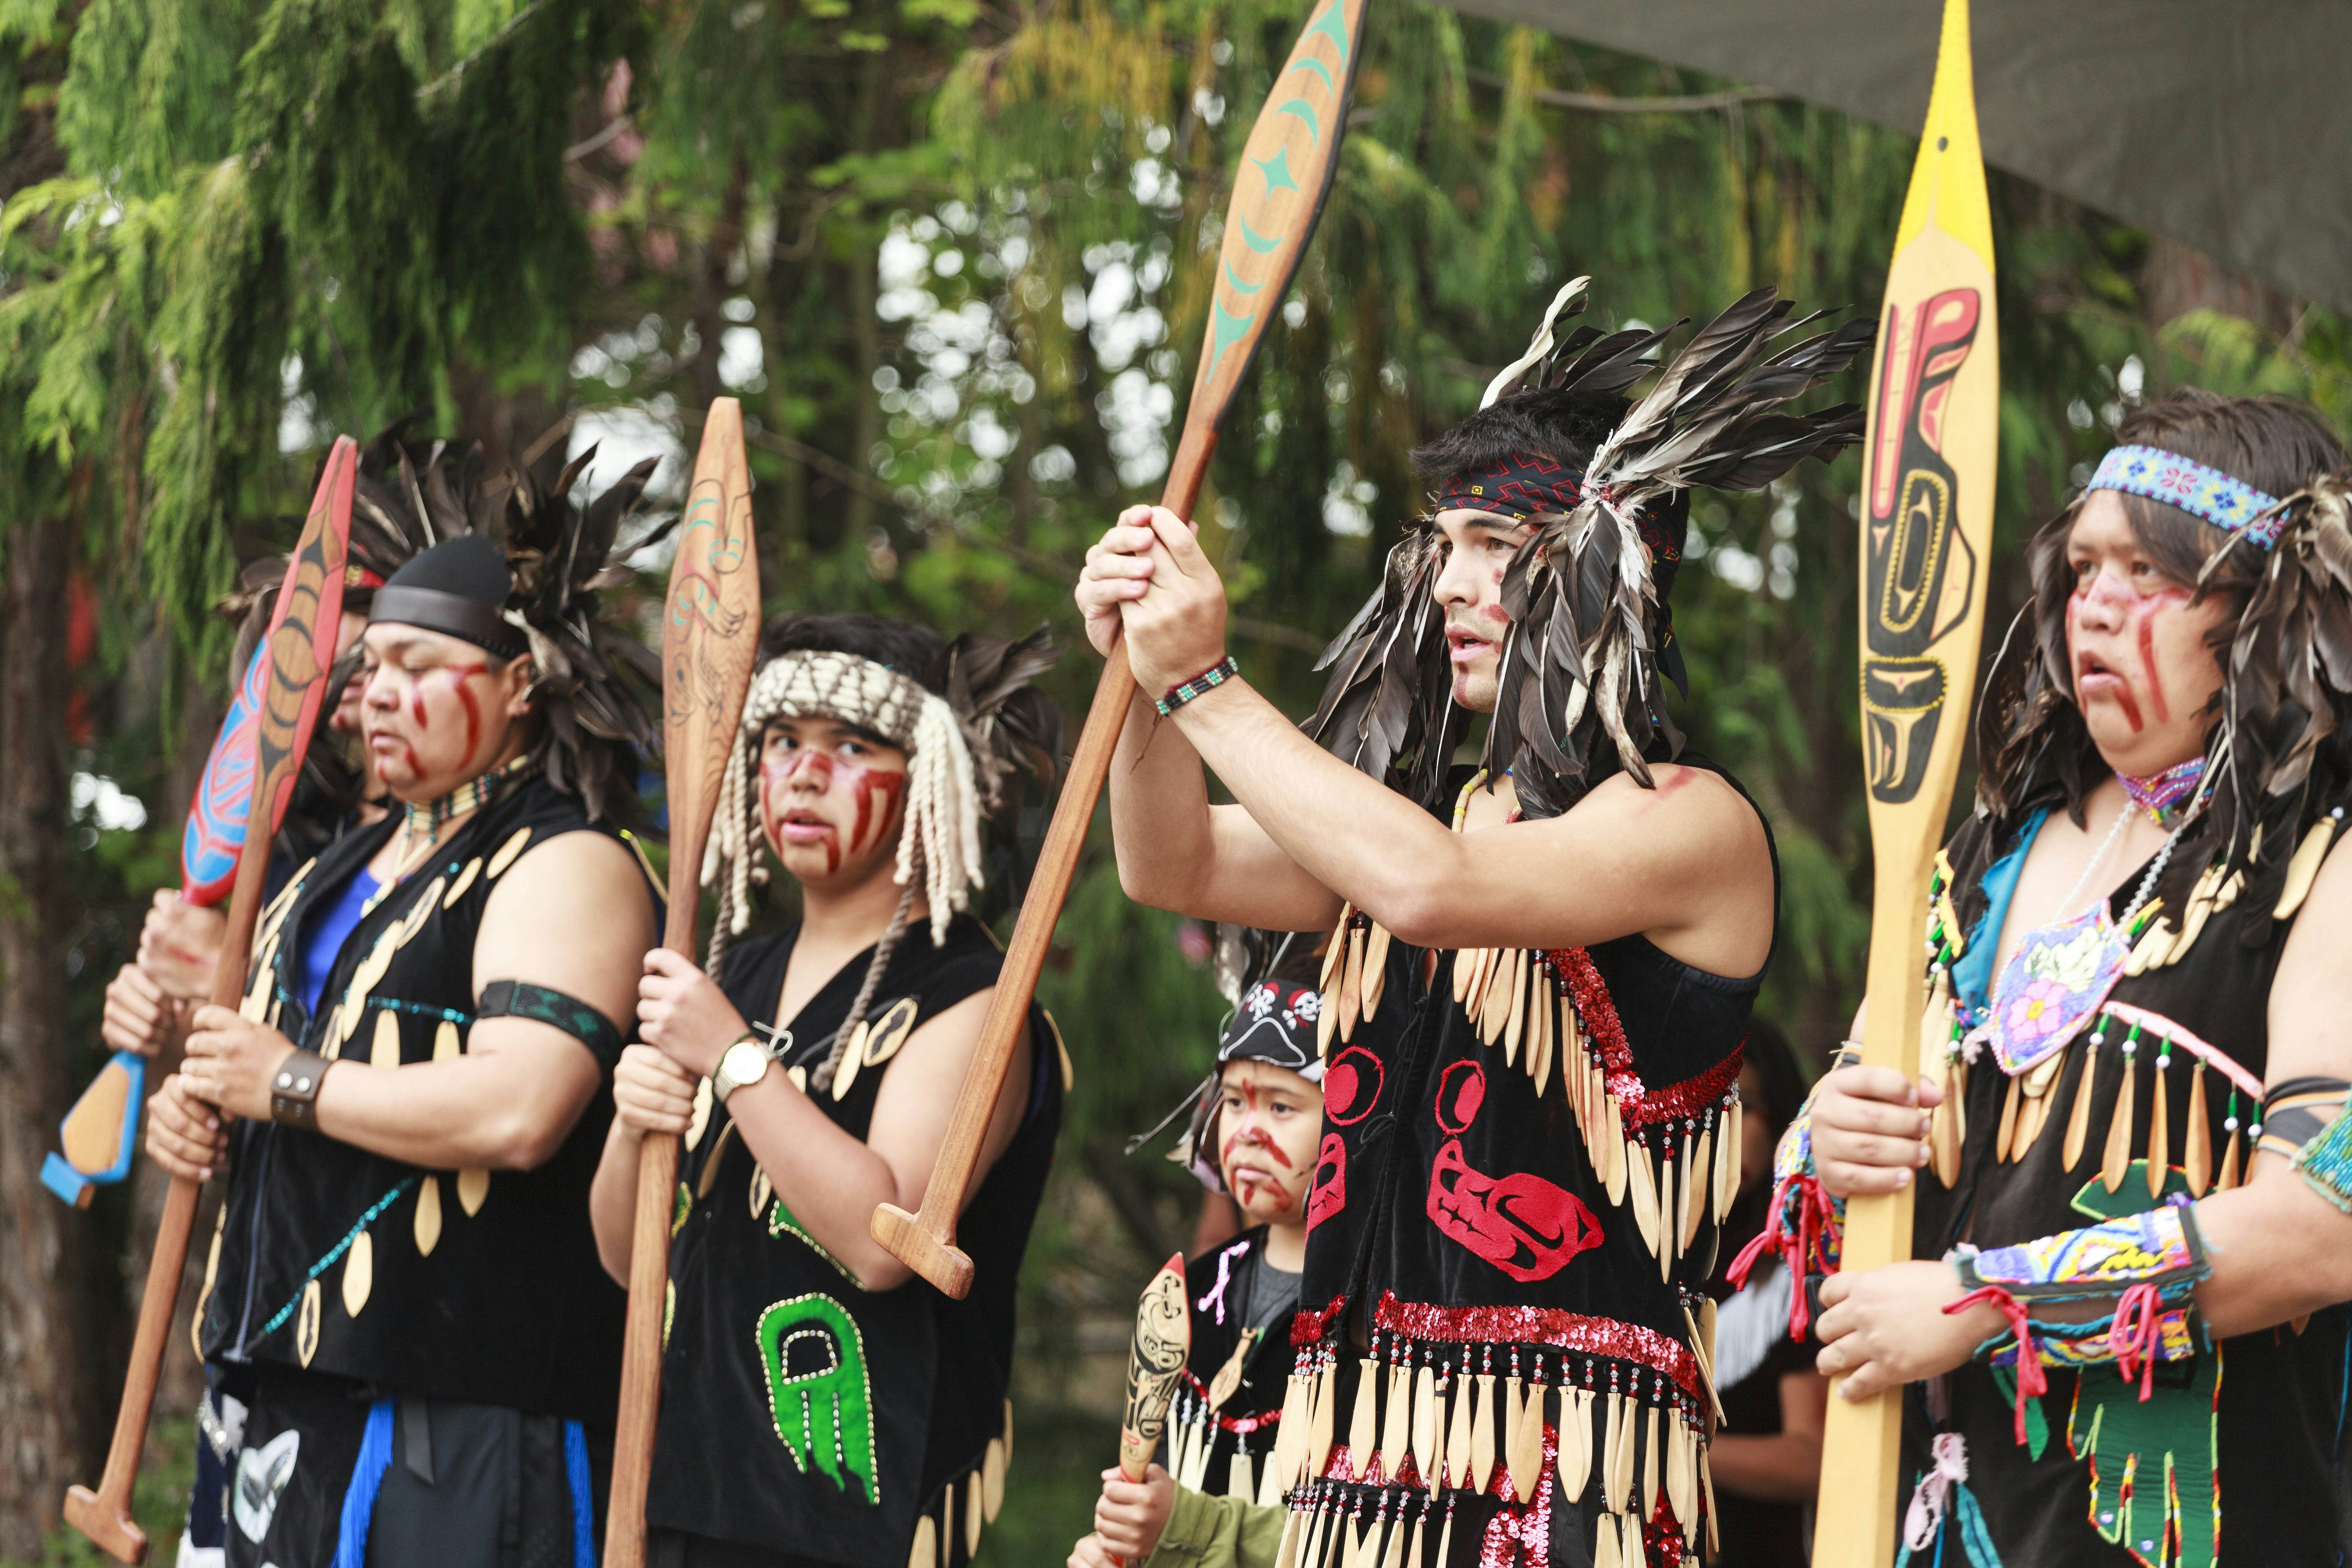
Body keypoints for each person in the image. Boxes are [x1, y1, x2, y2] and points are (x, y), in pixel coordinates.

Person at [1073, 280, 1872, 1566]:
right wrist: (1135, 675)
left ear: (1618, 562)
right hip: (1354, 1470)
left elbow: (1432, 892)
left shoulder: (1688, 823)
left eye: (1499, 546)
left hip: (1563, 1485)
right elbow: (1166, 860)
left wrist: (1206, 683)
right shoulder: (1408, 820)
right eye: (1442, 545)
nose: (1453, 583)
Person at [1776, 391, 2352, 1564]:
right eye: (2084, 565)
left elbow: (2321, 1228)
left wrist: (1983, 1303)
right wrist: (1821, 1144)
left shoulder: (2324, 866)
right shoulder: (1985, 860)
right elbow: (1824, 1174)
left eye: (2151, 570)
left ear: (2267, 612)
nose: (2095, 603)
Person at [142, 442, 667, 1568]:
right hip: (274, 1394)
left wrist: (280, 1084)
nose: (376, 693)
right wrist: (208, 1117)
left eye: (418, 664)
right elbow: (287, 1089)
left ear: (520, 684)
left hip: (456, 1409)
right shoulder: (336, 867)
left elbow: (520, 1111)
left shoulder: (567, 863)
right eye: (370, 667)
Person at [586, 613, 1065, 1568]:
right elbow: (625, 1259)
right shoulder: (733, 975)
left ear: (932, 774)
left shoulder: (976, 1000)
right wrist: (633, 1121)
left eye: (851, 746)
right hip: (682, 1489)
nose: (804, 773)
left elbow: (887, 1242)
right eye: (781, 743)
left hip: (858, 1525)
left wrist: (731, 1057)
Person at [1077, 955, 1327, 1567]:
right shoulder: (1191, 1290)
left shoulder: (1380, 1314)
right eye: (1236, 1103)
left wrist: (1179, 1526)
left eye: (1282, 1107)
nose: (1246, 1132)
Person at [1703, 1022, 1822, 1568]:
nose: (1716, 1124)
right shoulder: (1640, 1255)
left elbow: (1812, 1457)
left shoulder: (1801, 1266)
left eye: (1739, 1102)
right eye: (1701, 1102)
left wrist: (1674, 1442)